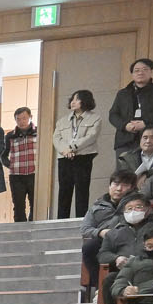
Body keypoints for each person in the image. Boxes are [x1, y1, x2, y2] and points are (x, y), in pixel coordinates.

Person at [109, 58, 153, 169]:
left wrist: (145, 123)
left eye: (144, 69)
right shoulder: (123, 93)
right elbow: (113, 115)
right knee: (124, 171)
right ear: (132, 74)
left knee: (152, 170)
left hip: (151, 136)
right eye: (137, 70)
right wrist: (125, 125)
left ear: (151, 72)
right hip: (126, 138)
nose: (140, 72)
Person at [53, 89, 103, 219]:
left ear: (85, 101)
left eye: (77, 99)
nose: (73, 102)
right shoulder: (62, 121)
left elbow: (91, 136)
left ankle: (81, 221)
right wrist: (65, 150)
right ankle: (61, 221)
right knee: (64, 190)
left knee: (82, 190)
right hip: (64, 158)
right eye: (72, 99)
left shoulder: (95, 118)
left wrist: (72, 148)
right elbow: (56, 139)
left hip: (83, 157)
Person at [5, 106, 38, 223]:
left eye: (24, 118)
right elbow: (3, 155)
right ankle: (19, 230)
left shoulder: (38, 132)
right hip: (16, 176)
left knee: (36, 205)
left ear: (30, 117)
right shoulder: (10, 135)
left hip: (35, 174)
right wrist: (10, 165)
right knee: (18, 207)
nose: (21, 121)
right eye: (18, 119)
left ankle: (33, 228)